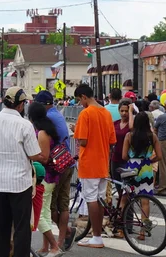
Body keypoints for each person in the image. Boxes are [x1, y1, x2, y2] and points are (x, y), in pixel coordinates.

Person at [0, 87, 48, 257]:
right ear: (21, 105)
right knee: (21, 228)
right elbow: (33, 154)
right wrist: (44, 158)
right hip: (19, 184)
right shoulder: (25, 125)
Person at [71, 84, 116, 249]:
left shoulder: (86, 114)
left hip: (89, 163)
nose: (80, 103)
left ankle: (96, 236)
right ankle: (97, 235)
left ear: (84, 97)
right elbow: (112, 141)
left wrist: (76, 130)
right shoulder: (106, 113)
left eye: (79, 100)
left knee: (91, 200)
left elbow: (83, 140)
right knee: (99, 199)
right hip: (103, 163)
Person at [34, 90, 76, 251]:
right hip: (66, 162)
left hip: (55, 167)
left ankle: (58, 240)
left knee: (50, 207)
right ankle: (58, 240)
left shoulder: (47, 119)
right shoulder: (56, 114)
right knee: (63, 204)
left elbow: (44, 150)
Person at [27, 102, 63, 257]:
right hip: (51, 176)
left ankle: (55, 247)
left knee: (39, 215)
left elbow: (45, 157)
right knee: (46, 211)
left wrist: (30, 155)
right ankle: (45, 247)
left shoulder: (42, 133)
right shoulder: (46, 128)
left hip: (46, 177)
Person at [122, 112, 163, 239]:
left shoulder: (129, 135)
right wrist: (149, 161)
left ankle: (122, 227)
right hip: (146, 169)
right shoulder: (153, 136)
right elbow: (160, 156)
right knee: (145, 201)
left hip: (132, 167)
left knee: (125, 199)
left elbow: (124, 156)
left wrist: (132, 160)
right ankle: (142, 232)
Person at [112, 100, 134, 195]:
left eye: (126, 111)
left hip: (127, 159)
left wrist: (131, 112)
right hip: (115, 158)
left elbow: (132, 128)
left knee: (127, 188)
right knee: (118, 185)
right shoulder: (115, 124)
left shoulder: (131, 124)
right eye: (122, 111)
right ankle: (121, 208)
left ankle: (127, 208)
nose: (124, 113)